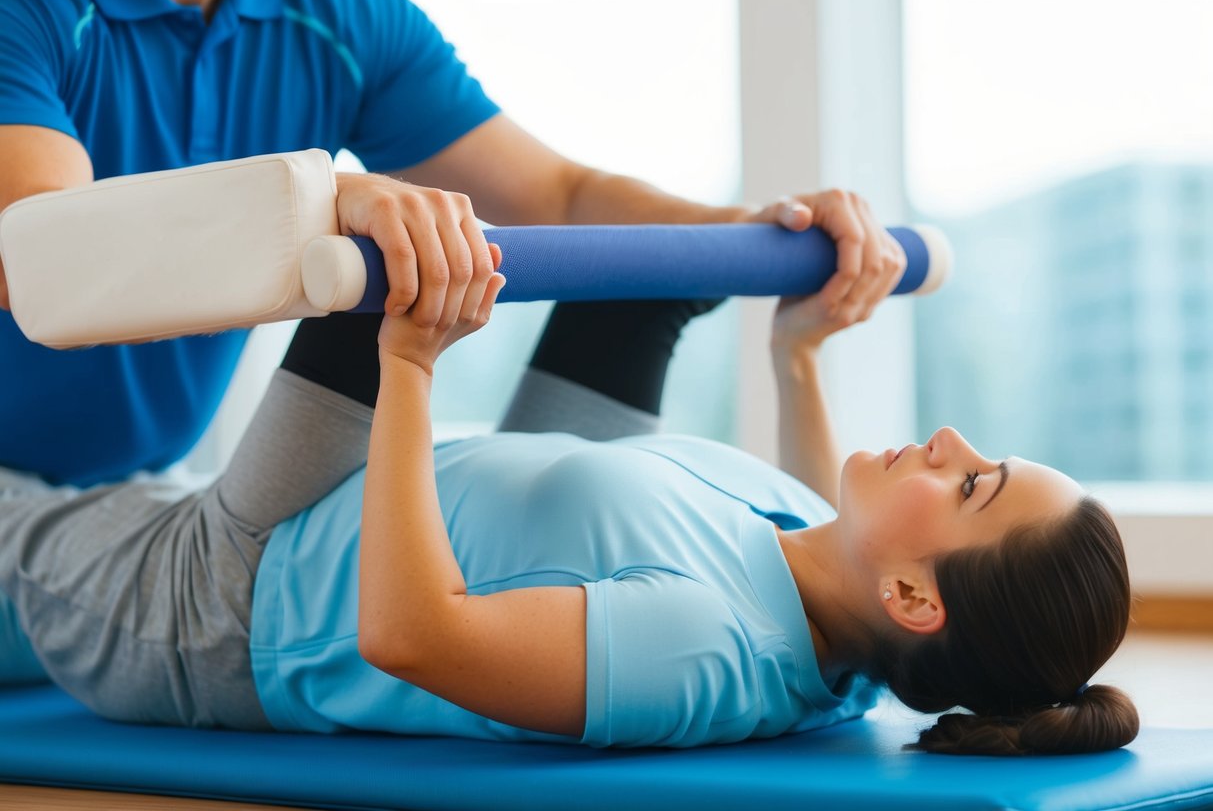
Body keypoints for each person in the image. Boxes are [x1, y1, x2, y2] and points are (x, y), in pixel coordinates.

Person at [0, 223, 1138, 757]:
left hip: (222, 599)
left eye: (973, 482)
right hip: (370, 502)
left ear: (913, 598)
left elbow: (410, 633)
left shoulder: (705, 646)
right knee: (649, 278)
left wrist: (405, 363)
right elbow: (833, 512)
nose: (946, 437)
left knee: (395, 247)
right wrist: (797, 351)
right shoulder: (821, 566)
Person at [0, 0, 904, 487]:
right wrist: (333, 197)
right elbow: (45, 255)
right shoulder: (30, 4)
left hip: (123, 493)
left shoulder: (342, 18)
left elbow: (558, 193)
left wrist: (757, 232)